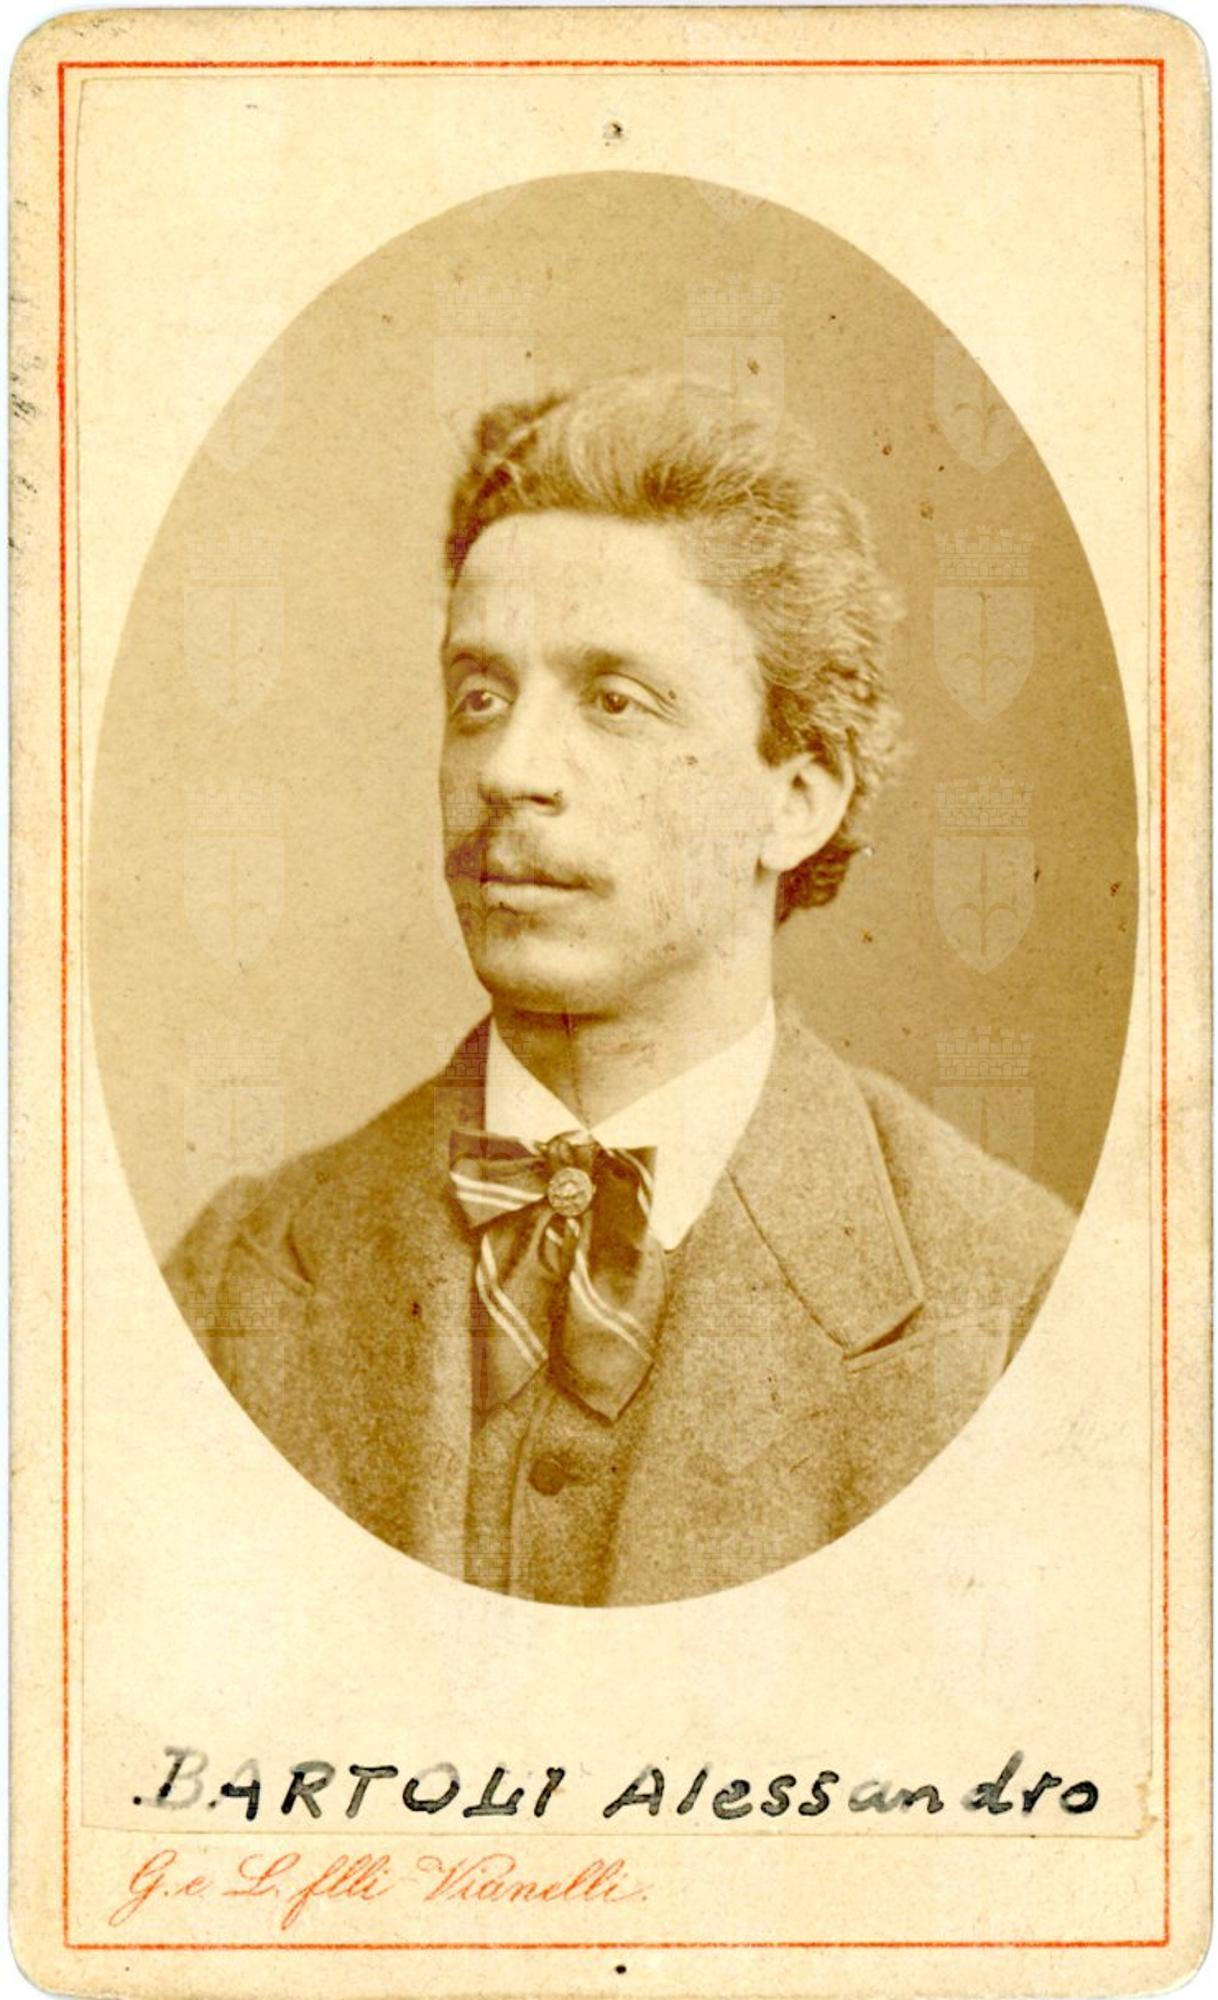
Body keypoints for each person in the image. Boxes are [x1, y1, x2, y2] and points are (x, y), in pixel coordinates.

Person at [165, 371, 1073, 1606]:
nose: (510, 768)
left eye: (615, 701)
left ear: (797, 799)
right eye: (479, 697)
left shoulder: (1016, 1304)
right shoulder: (235, 1274)